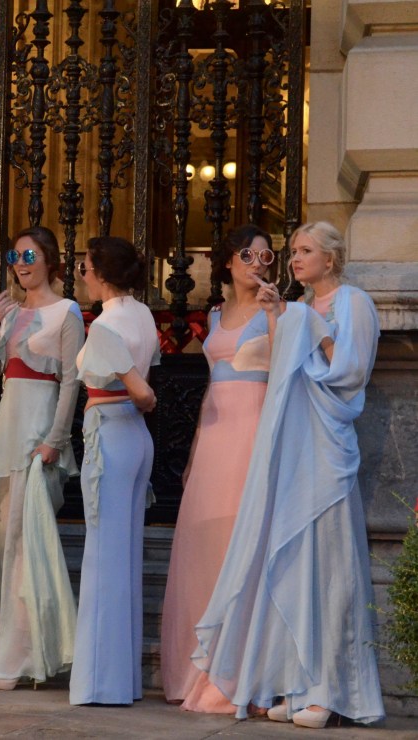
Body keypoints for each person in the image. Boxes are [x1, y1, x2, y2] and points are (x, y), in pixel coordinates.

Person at [193, 221, 385, 728]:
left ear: (330, 258)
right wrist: (279, 317)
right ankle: (297, 685)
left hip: (328, 449)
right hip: (295, 445)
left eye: (305, 251)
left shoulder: (353, 303)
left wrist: (314, 331)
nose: (294, 258)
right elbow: (279, 371)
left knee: (332, 568)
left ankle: (333, 693)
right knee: (295, 565)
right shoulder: (297, 307)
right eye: (294, 250)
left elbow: (351, 373)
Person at [160, 225, 275, 713]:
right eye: (248, 254)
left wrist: (276, 314)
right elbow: (211, 386)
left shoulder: (277, 312)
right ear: (228, 261)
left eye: (266, 256)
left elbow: (287, 379)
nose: (257, 263)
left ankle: (236, 674)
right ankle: (193, 669)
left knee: (240, 547)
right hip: (214, 441)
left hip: (253, 434)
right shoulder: (214, 314)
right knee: (201, 550)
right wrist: (192, 452)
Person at [0, 226, 84, 690]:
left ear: (49, 260)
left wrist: (55, 439)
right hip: (8, 430)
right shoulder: (12, 313)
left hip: (39, 435)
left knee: (28, 543)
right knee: (8, 543)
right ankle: (17, 653)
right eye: (14, 257)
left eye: (29, 256)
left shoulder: (67, 312)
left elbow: (72, 380)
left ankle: (25, 656)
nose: (20, 264)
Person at [69, 236, 160, 706]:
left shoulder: (106, 324)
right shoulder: (141, 314)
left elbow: (143, 392)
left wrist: (135, 396)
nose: (82, 276)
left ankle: (100, 682)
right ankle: (119, 680)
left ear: (100, 274)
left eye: (84, 268)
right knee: (123, 552)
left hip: (111, 430)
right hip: (134, 437)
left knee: (105, 554)